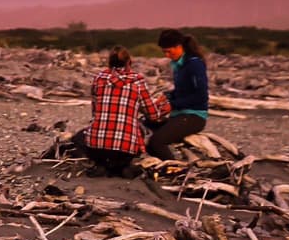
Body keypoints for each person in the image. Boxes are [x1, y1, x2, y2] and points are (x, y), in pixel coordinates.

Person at [72, 45, 166, 176]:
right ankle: (122, 167)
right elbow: (153, 115)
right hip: (125, 150)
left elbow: (95, 112)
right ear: (129, 62)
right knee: (140, 131)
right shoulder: (138, 81)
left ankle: (101, 164)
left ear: (110, 63)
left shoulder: (99, 78)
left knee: (79, 137)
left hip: (97, 148)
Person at [145, 28, 209, 160]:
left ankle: (174, 168)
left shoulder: (194, 64)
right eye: (164, 52)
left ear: (179, 46)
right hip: (179, 114)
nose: (167, 55)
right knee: (145, 128)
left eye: (169, 51)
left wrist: (172, 105)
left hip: (194, 116)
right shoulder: (178, 64)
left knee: (157, 141)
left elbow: (201, 96)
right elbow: (183, 91)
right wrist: (167, 97)